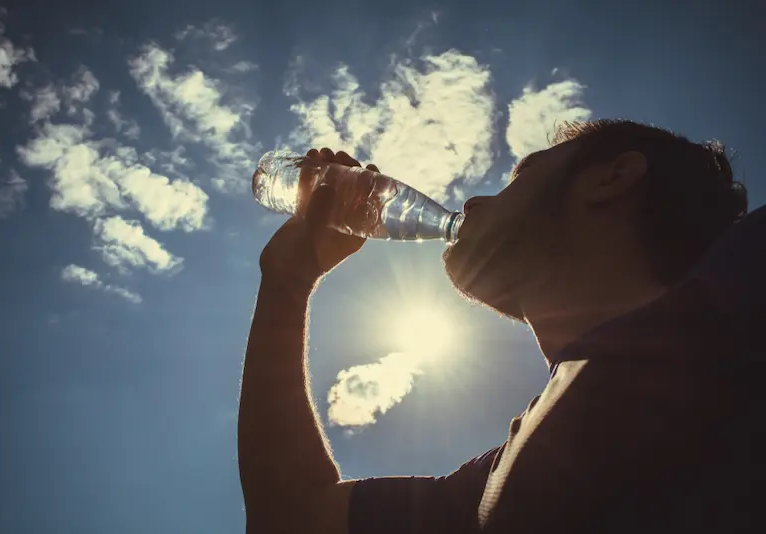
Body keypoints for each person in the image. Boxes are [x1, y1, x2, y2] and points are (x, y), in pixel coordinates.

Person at [237, 119, 764, 533]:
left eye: (522, 173)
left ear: (614, 176)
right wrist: (287, 281)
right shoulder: (502, 480)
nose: (473, 201)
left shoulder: (740, 286)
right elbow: (294, 519)